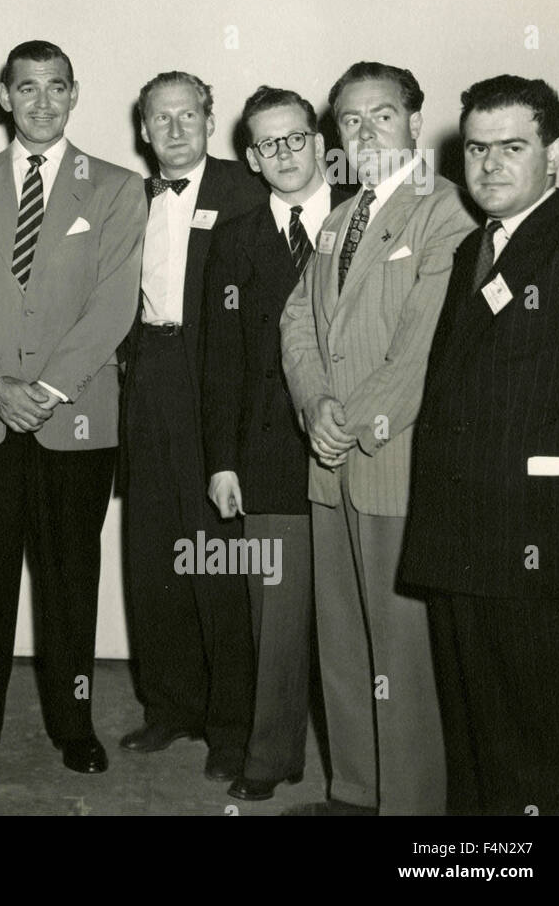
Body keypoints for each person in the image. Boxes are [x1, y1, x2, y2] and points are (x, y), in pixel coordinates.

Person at [0, 40, 146, 774]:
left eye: (56, 87)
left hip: (76, 417)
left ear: (75, 93)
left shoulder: (119, 187)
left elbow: (114, 302)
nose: (42, 101)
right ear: (4, 95)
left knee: (68, 581)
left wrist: (48, 389)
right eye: (27, 88)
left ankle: (74, 723)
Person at [280, 61, 475, 816]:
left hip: (394, 461)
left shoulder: (446, 212)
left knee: (401, 649)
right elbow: (297, 319)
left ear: (416, 122)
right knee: (343, 637)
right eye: (349, 122)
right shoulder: (338, 216)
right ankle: (355, 792)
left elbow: (422, 352)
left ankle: (412, 807)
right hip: (330, 460)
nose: (364, 133)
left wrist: (349, 420)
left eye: (381, 116)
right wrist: (314, 406)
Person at [400, 75, 559, 815]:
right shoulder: (476, 246)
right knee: (473, 732)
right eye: (476, 148)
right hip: (460, 532)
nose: (489, 164)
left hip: (537, 537)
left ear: (555, 153)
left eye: (513, 146)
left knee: (542, 743)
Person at [200, 85, 351, 800]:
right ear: (252, 159)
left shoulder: (363, 219)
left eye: (296, 138)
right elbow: (221, 359)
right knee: (277, 617)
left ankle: (364, 770)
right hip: (267, 453)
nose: (285, 154)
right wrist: (223, 461)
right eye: (268, 144)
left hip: (357, 443)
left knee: (355, 622)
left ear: (322, 142)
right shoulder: (234, 237)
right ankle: (271, 751)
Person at [120, 71, 265, 783]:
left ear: (210, 120)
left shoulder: (247, 192)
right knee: (155, 548)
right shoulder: (128, 196)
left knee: (219, 556)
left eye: (188, 115)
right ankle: (170, 704)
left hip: (216, 378)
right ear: (143, 129)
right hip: (148, 373)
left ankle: (232, 724)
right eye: (160, 119)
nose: (174, 130)